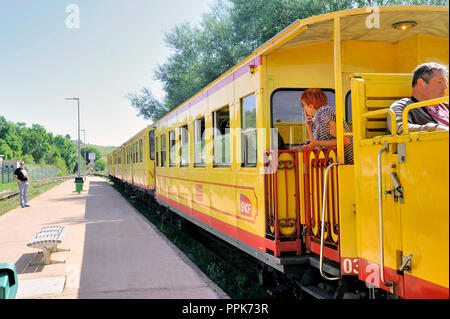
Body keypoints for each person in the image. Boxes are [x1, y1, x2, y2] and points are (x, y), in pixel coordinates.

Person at [289, 88, 354, 164]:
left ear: (311, 106)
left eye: (303, 105)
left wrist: (318, 143)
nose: (304, 108)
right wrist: (308, 126)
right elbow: (314, 143)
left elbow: (345, 140)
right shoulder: (318, 119)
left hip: (348, 164)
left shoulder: (326, 115)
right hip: (337, 164)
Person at [387, 62, 449, 135]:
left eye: (446, 82)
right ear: (421, 83)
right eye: (439, 82)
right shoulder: (403, 107)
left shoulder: (446, 105)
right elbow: (400, 128)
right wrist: (435, 128)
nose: (445, 87)